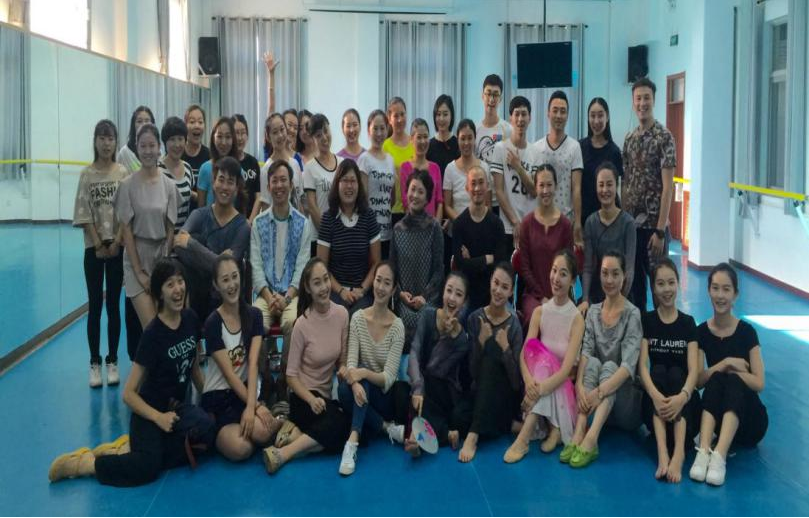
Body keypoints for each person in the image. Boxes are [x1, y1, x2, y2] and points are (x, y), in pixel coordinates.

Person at [48, 259, 213, 487]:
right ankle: (86, 464)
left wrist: (210, 400)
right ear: (160, 294)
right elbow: (128, 394)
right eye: (170, 284)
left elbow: (194, 370)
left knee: (208, 433)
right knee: (147, 467)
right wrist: (158, 417)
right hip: (148, 412)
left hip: (175, 410)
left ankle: (127, 449)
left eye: (180, 281)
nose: (178, 289)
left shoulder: (190, 319)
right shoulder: (153, 335)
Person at [262, 258, 351, 475]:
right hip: (304, 399)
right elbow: (291, 376)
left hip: (325, 399)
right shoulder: (301, 324)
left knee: (348, 429)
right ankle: (283, 454)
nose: (324, 287)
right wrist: (311, 399)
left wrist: (343, 369)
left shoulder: (342, 314)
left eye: (326, 280)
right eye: (317, 283)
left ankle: (295, 437)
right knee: (340, 428)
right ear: (308, 289)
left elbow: (342, 360)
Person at [689, 264, 767, 487]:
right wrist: (725, 363)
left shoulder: (747, 332)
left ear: (735, 294)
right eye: (715, 288)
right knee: (716, 377)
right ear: (708, 291)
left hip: (749, 421)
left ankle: (720, 456)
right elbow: (698, 381)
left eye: (726, 289)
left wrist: (734, 373)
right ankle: (704, 451)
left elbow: (759, 382)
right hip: (720, 418)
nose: (720, 295)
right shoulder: (701, 332)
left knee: (733, 380)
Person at [505, 250, 584, 463]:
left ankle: (524, 438)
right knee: (541, 363)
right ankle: (552, 428)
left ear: (573, 281)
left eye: (563, 274)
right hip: (537, 384)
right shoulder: (540, 312)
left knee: (546, 366)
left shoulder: (576, 319)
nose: (556, 278)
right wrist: (529, 382)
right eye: (554, 271)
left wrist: (538, 390)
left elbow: (566, 370)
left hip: (560, 389)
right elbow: (524, 354)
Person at [565, 252, 643, 468]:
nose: (609, 280)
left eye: (615, 274)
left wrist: (598, 392)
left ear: (624, 277)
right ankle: (580, 430)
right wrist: (580, 386)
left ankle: (591, 439)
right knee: (592, 363)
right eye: (605, 273)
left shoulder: (632, 314)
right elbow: (586, 351)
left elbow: (627, 367)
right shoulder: (593, 312)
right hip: (597, 406)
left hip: (625, 406)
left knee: (610, 365)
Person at [201, 255, 281, 462]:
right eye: (225, 280)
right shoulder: (212, 323)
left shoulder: (254, 315)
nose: (232, 285)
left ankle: (259, 427)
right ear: (216, 285)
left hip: (244, 393)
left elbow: (252, 364)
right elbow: (229, 375)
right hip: (218, 397)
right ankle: (224, 434)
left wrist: (251, 406)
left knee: (263, 433)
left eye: (235, 277)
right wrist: (255, 407)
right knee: (241, 449)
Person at [250, 160, 313, 402]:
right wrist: (269, 297)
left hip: (292, 295)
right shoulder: (258, 223)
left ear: (291, 184)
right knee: (255, 321)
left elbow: (302, 267)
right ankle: (266, 380)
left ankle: (285, 384)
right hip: (265, 294)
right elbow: (255, 267)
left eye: (283, 180)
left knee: (293, 324)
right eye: (274, 181)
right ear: (268, 186)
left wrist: (286, 298)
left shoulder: (302, 223)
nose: (279, 185)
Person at [337, 262, 407, 476]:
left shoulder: (398, 327)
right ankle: (386, 428)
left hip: (383, 397)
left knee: (362, 377)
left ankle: (352, 441)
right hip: (360, 392)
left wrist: (363, 374)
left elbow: (388, 378)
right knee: (343, 390)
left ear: (393, 289)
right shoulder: (358, 318)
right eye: (378, 280)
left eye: (387, 283)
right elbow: (351, 363)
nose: (380, 287)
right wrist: (355, 383)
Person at [73, 119, 128, 387]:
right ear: (95, 141)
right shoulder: (87, 174)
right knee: (95, 306)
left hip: (117, 247)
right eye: (102, 138)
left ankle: (113, 360)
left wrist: (117, 242)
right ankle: (94, 362)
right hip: (93, 249)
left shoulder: (122, 173)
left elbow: (127, 212)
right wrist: (97, 244)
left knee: (113, 306)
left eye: (111, 138)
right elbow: (83, 212)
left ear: (116, 142)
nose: (107, 144)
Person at [639, 258, 701, 483]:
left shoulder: (688, 323)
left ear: (678, 284)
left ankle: (679, 453)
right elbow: (642, 366)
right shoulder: (647, 320)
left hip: (684, 408)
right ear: (654, 288)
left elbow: (694, 370)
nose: (667, 289)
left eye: (671, 282)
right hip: (655, 406)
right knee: (657, 371)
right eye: (661, 284)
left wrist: (682, 397)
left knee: (676, 373)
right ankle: (663, 452)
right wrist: (655, 397)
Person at [174, 156, 250, 329]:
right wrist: (219, 259)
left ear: (237, 188)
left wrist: (192, 245)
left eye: (230, 182)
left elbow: (227, 269)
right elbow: (178, 243)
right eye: (221, 180)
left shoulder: (243, 227)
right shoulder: (199, 215)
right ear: (213, 183)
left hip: (227, 301)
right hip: (197, 297)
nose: (224, 187)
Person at [115, 124, 179, 330]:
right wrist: (139, 272)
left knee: (166, 323)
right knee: (151, 327)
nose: (148, 151)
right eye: (143, 146)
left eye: (152, 145)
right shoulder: (126, 185)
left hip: (160, 259)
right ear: (137, 147)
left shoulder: (169, 186)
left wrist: (164, 267)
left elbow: (170, 230)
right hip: (136, 257)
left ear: (159, 147)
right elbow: (126, 231)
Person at [459, 263, 524, 463]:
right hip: (479, 391)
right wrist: (480, 342)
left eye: (504, 287)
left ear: (511, 292)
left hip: (503, 394)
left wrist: (505, 349)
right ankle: (507, 425)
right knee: (458, 417)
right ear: (490, 283)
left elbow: (516, 382)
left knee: (492, 357)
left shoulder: (514, 325)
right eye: (496, 283)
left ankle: (474, 435)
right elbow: (472, 372)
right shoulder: (474, 318)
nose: (498, 290)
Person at [622, 78, 676, 311]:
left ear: (653, 100)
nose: (642, 103)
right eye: (638, 98)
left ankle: (661, 331)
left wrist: (660, 230)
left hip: (655, 230)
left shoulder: (664, 138)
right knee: (634, 289)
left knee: (659, 288)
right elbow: (625, 183)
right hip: (632, 229)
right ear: (633, 102)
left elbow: (668, 187)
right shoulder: (629, 139)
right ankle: (640, 330)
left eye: (646, 98)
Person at [404, 273, 472, 456]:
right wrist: (417, 388)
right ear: (443, 292)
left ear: (464, 302)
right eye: (449, 290)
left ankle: (417, 437)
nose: (452, 298)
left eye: (458, 294)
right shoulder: (427, 315)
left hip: (444, 391)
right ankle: (446, 434)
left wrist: (449, 339)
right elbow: (414, 351)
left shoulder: (462, 341)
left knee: (428, 383)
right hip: (423, 387)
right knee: (401, 392)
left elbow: (435, 368)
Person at [317, 159, 381, 315]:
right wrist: (341, 291)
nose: (349, 186)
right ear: (337, 184)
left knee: (359, 318)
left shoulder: (369, 216)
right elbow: (322, 266)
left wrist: (362, 289)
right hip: (335, 291)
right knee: (340, 315)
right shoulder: (328, 218)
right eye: (344, 181)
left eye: (353, 181)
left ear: (359, 185)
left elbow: (377, 263)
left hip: (363, 292)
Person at [391, 170, 444, 348]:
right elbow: (392, 271)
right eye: (412, 189)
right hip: (403, 302)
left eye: (421, 191)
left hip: (428, 301)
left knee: (425, 322)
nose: (415, 195)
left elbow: (439, 270)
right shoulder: (397, 229)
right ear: (406, 192)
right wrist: (400, 294)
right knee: (403, 324)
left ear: (428, 197)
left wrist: (424, 297)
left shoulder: (434, 227)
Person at [579, 163, 636, 314]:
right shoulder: (591, 222)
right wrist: (585, 299)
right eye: (601, 185)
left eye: (609, 184)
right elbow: (587, 267)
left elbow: (629, 269)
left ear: (616, 186)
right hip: (598, 293)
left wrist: (618, 301)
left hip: (622, 293)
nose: (605, 190)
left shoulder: (628, 223)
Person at [519, 165, 574, 321]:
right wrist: (541, 297)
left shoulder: (565, 225)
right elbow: (524, 268)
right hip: (533, 295)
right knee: (536, 317)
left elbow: (569, 267)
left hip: (560, 294)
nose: (545, 190)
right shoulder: (526, 224)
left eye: (549, 185)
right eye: (541, 185)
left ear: (556, 186)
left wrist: (556, 298)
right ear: (535, 187)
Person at [451, 165, 508, 312]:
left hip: (493, 294)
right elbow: (460, 265)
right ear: (467, 188)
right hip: (467, 294)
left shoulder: (497, 224)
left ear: (487, 186)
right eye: (473, 183)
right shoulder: (459, 225)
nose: (477, 188)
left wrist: (472, 261)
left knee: (512, 319)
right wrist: (487, 259)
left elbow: (500, 263)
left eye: (481, 182)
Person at [532, 91, 584, 247]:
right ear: (548, 113)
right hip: (541, 221)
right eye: (555, 110)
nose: (559, 115)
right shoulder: (536, 148)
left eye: (563, 111)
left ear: (567, 115)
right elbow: (534, 188)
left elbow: (576, 188)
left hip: (566, 221)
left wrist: (578, 222)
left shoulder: (574, 147)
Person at [491, 96, 539, 252]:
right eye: (516, 114)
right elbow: (498, 191)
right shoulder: (500, 149)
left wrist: (518, 167)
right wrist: (515, 222)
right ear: (510, 118)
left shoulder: (536, 152)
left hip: (530, 226)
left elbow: (534, 191)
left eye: (524, 114)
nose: (520, 119)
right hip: (507, 227)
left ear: (530, 118)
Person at [252, 113, 305, 221]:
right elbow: (266, 206)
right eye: (275, 132)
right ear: (268, 136)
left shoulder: (295, 164)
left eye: (282, 129)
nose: (280, 135)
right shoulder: (266, 169)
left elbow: (298, 201)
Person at [358, 110, 396, 259]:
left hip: (387, 231)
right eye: (375, 128)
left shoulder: (390, 160)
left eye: (382, 128)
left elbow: (392, 198)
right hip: (369, 232)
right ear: (369, 130)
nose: (379, 133)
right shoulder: (364, 159)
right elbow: (362, 199)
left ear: (387, 130)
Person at [579, 98, 623, 225]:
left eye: (600, 115)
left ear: (607, 117)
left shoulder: (614, 151)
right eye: (592, 116)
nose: (596, 121)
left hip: (609, 219)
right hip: (585, 217)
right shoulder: (580, 147)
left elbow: (619, 187)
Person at [303, 114, 343, 255]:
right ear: (313, 139)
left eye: (326, 131)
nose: (324, 138)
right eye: (318, 135)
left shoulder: (342, 163)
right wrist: (328, 235)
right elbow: (312, 207)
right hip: (319, 237)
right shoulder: (310, 168)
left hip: (341, 234)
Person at [444, 119, 492, 223]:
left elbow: (488, 204)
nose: (466, 143)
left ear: (475, 139)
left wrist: (476, 224)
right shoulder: (450, 169)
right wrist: (463, 223)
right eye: (463, 138)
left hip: (481, 226)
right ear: (458, 140)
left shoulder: (484, 168)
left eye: (470, 138)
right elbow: (447, 206)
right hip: (457, 227)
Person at [476, 74, 510, 217]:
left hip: (502, 201)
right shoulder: (475, 130)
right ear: (482, 96)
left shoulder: (507, 129)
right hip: (481, 199)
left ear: (500, 98)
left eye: (495, 95)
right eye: (488, 93)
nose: (491, 99)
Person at [400, 118, 443, 221]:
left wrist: (436, 225)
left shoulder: (435, 168)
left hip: (432, 225)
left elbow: (440, 201)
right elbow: (406, 201)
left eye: (425, 137)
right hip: (412, 225)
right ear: (411, 139)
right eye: (419, 137)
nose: (423, 141)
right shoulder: (405, 167)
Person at [158, 117, 195, 232]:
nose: (177, 144)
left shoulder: (188, 168)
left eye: (180, 139)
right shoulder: (157, 169)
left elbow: (190, 195)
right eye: (172, 139)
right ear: (165, 142)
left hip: (183, 235)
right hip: (161, 236)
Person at [383, 97, 415, 229]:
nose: (400, 119)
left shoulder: (414, 143)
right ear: (389, 119)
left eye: (402, 114)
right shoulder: (385, 146)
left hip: (414, 209)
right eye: (396, 116)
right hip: (393, 211)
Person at [198, 117, 240, 207]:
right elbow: (201, 207)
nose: (223, 142)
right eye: (219, 136)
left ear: (233, 140)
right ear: (213, 138)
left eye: (228, 137)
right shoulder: (205, 169)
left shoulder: (240, 171)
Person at [233, 114, 262, 218]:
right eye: (236, 133)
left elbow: (258, 196)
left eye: (243, 133)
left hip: (250, 219)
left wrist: (250, 221)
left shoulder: (253, 162)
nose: (240, 138)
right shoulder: (227, 163)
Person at [427, 94, 460, 176]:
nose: (441, 119)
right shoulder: (428, 145)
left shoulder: (458, 144)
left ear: (451, 116)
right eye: (438, 114)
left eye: (445, 114)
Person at [118, 106, 154, 176]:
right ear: (133, 125)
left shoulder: (158, 151)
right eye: (139, 121)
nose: (143, 125)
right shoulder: (124, 153)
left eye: (147, 121)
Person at [182, 104, 210, 186]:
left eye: (200, 122)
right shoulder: (178, 153)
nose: (197, 126)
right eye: (192, 122)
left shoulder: (210, 155)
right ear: (185, 125)